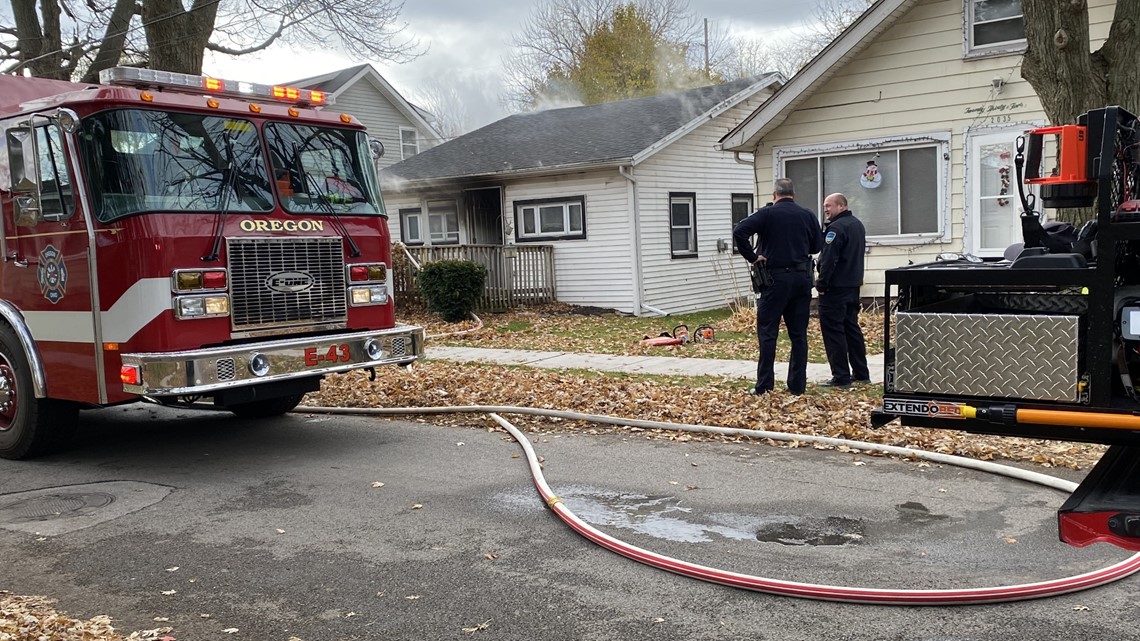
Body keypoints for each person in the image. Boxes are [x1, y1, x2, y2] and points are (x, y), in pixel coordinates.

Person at [732, 178, 823, 395]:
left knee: (768, 333)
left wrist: (753, 257)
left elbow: (739, 231)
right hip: (801, 280)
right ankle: (797, 385)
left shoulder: (767, 213)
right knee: (799, 335)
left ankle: (764, 386)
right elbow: (817, 245)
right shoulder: (807, 214)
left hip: (774, 280)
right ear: (793, 194)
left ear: (774, 195)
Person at [815, 192, 870, 388]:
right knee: (851, 328)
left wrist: (821, 284)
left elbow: (829, 259)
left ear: (841, 206)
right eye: (824, 207)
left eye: (829, 206)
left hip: (835, 288)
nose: (826, 210)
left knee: (833, 331)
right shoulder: (857, 225)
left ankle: (841, 376)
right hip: (853, 285)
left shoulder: (836, 228)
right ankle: (861, 372)